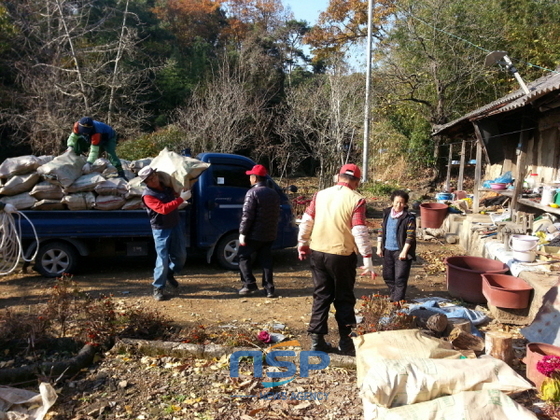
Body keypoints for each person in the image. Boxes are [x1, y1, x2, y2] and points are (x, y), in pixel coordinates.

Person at [297, 164, 375, 356]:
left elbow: (307, 220)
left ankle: (317, 341)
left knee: (321, 296)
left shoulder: (320, 195)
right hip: (341, 255)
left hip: (317, 251)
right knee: (344, 299)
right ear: (356, 181)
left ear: (338, 177)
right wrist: (367, 258)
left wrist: (302, 242)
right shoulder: (357, 199)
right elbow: (359, 230)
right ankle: (346, 344)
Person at [139, 166, 191, 301]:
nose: (154, 180)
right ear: (146, 183)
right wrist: (181, 199)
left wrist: (182, 192)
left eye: (154, 176)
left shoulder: (167, 187)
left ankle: (169, 273)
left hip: (175, 225)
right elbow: (163, 209)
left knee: (180, 256)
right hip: (161, 229)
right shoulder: (148, 195)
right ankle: (158, 288)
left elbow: (176, 194)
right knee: (162, 259)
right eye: (150, 179)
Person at [238, 164, 281, 298]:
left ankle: (249, 283)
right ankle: (269, 288)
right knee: (266, 260)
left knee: (243, 256)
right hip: (269, 233)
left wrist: (242, 233)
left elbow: (247, 215)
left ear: (255, 178)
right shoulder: (273, 193)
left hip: (254, 233)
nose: (250, 179)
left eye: (251, 176)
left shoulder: (252, 193)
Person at [376, 190, 417, 302]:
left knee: (400, 278)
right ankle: (395, 295)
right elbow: (381, 230)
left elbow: (410, 236)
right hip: (387, 249)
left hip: (400, 251)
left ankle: (397, 302)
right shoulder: (387, 213)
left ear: (405, 204)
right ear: (392, 201)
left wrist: (404, 251)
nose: (398, 205)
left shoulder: (409, 218)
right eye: (396, 202)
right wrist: (379, 247)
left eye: (402, 203)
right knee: (387, 276)